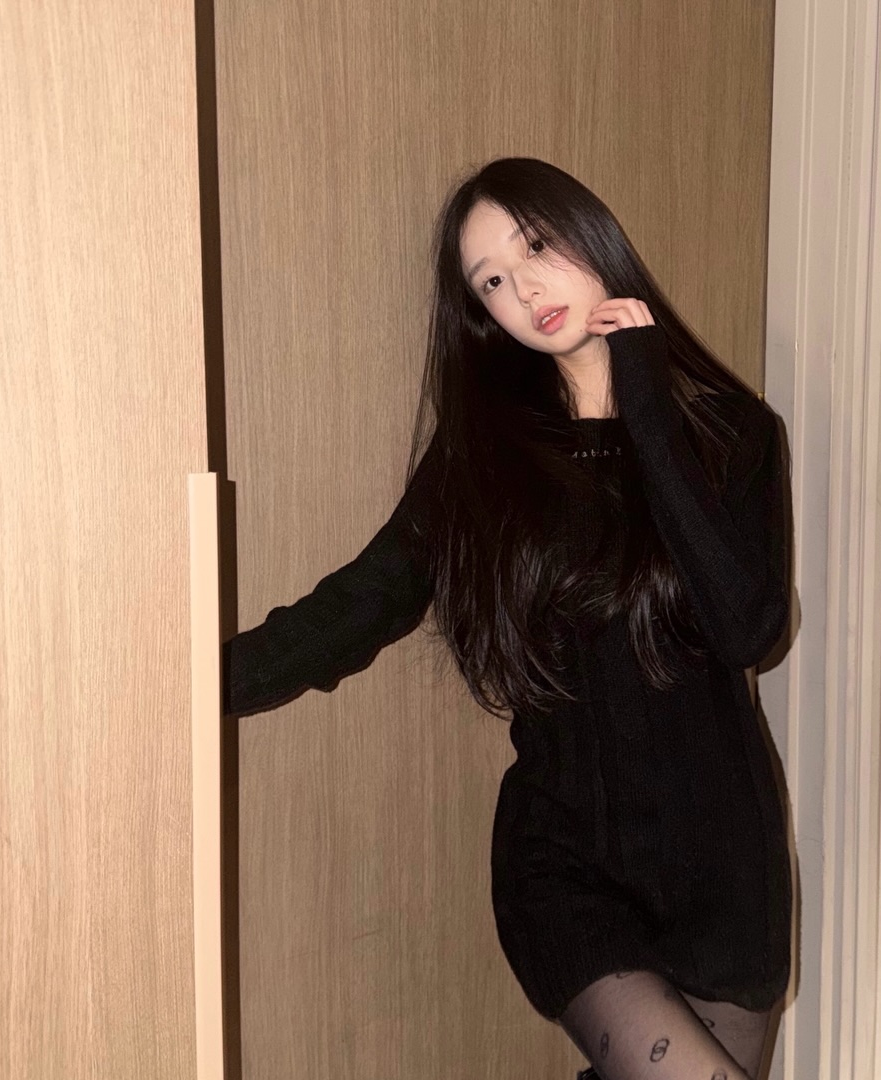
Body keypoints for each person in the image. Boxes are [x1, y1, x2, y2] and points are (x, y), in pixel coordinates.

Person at [222, 156, 793, 1080]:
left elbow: (749, 629)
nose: (523, 290)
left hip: (724, 867)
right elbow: (362, 603)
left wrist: (648, 409)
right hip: (567, 861)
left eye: (535, 246)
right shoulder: (484, 458)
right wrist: (197, 684)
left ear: (593, 232)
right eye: (490, 281)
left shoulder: (734, 433)